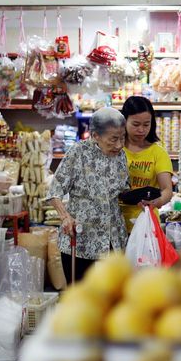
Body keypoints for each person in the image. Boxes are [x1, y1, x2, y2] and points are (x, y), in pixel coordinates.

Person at [46, 107, 130, 283]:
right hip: (81, 238)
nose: (119, 145)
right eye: (113, 139)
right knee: (82, 295)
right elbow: (55, 191)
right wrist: (65, 216)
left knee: (112, 295)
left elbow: (122, 189)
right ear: (95, 135)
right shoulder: (78, 153)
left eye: (122, 137)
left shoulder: (121, 155)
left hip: (113, 238)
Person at [120, 96, 174, 231]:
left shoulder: (158, 153)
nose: (141, 130)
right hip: (115, 223)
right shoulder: (115, 149)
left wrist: (157, 202)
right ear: (124, 121)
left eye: (146, 124)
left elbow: (167, 189)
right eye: (136, 124)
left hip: (146, 224)